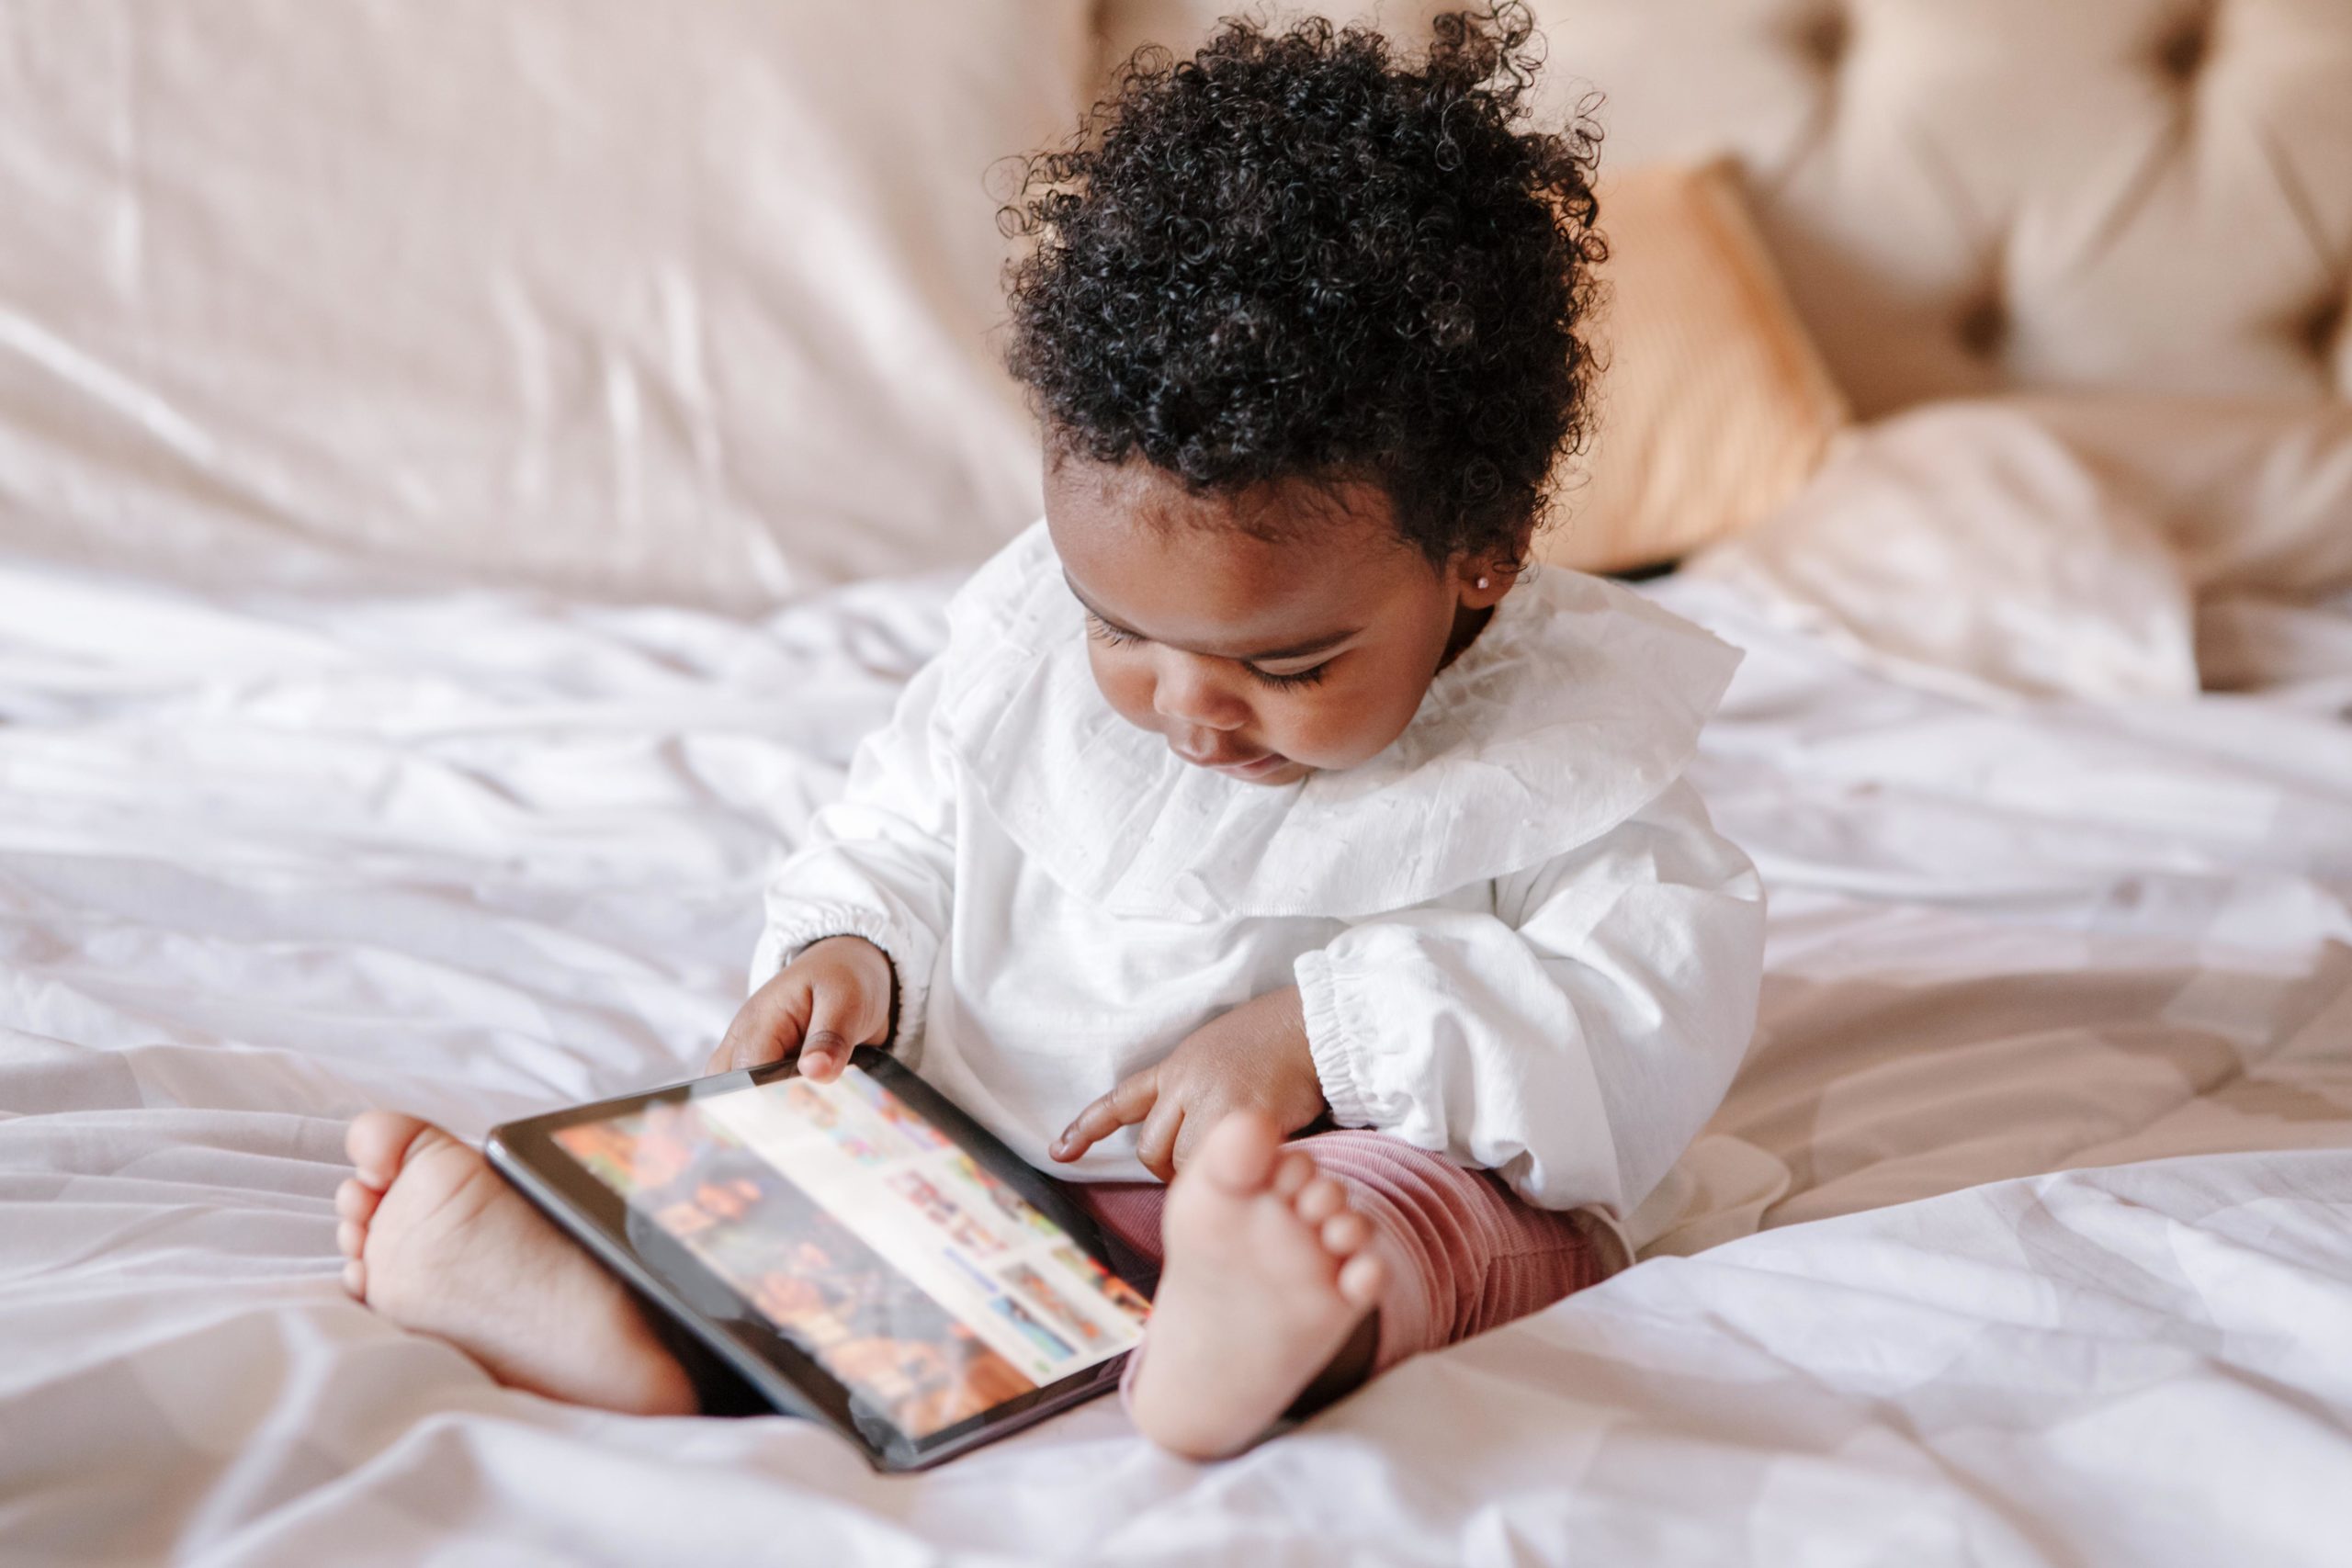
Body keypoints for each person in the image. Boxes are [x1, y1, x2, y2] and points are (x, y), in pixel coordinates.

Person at [333, 3, 1766, 1461]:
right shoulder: (1028, 637)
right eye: (1121, 630)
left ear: (1482, 552)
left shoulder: (1567, 742)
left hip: (1314, 1178)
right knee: (796, 1183)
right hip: (991, 1168)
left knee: (1441, 1224)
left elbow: (1641, 1005)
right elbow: (906, 815)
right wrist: (855, 948)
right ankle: (603, 1309)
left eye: (1289, 661)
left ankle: (1264, 1322)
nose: (1188, 708)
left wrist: (1324, 1039)